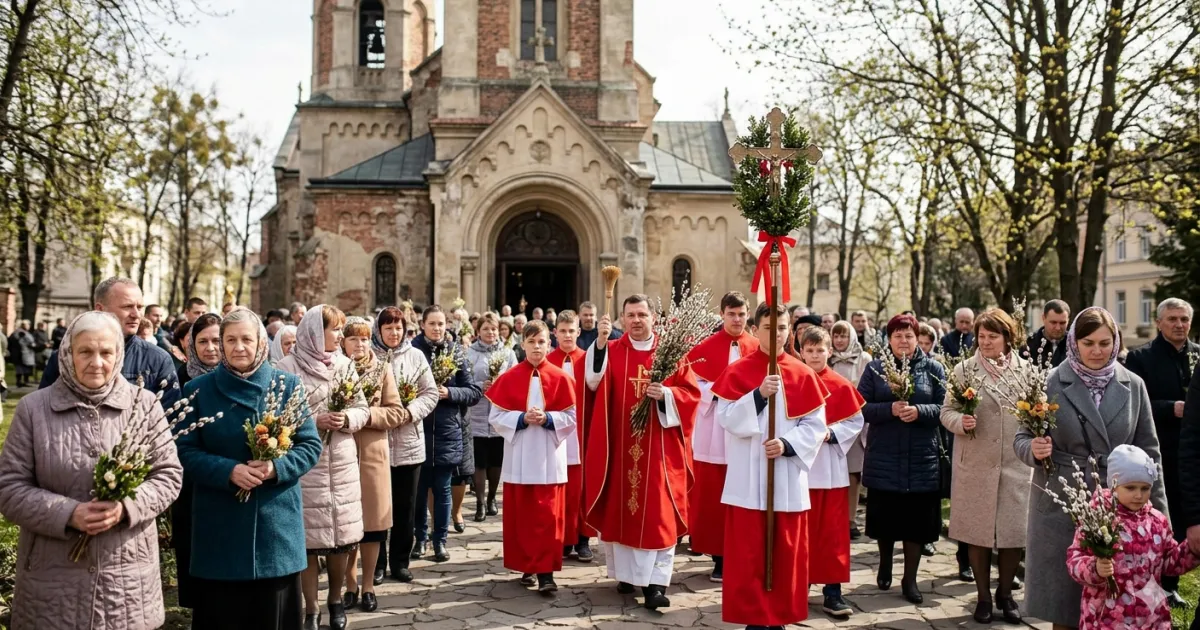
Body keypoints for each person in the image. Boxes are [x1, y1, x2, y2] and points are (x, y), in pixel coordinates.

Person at [0, 311, 183, 630]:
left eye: (106, 352)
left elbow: (169, 476)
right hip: (52, 579)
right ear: (68, 354)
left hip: (126, 579)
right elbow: (9, 488)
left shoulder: (144, 405)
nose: (96, 362)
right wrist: (67, 513)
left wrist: (126, 507)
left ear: (119, 356)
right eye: (85, 351)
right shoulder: (34, 410)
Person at [1015, 306, 1165, 630]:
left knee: (1117, 608)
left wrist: (1160, 517)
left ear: (1116, 342)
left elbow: (1150, 452)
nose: (1096, 351)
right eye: (1088, 342)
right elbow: (1022, 437)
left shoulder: (1134, 385)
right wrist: (1034, 449)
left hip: (1121, 505)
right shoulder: (1051, 381)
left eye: (1104, 342)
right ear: (1074, 342)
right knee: (1066, 608)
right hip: (1062, 503)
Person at [177, 307, 322, 630]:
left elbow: (310, 446)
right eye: (231, 340)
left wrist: (274, 467)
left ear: (260, 343)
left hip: (274, 531)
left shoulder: (287, 386)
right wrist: (227, 471)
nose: (239, 347)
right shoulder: (197, 391)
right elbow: (183, 451)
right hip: (219, 531)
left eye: (247, 339)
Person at [712, 302, 828, 629]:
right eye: (768, 327)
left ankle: (778, 616)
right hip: (748, 481)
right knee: (749, 555)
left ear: (789, 330)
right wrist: (759, 395)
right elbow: (727, 419)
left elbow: (816, 425)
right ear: (755, 329)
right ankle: (753, 617)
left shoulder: (803, 372)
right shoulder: (738, 371)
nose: (775, 333)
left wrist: (788, 445)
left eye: (781, 327)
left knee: (783, 555)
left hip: (786, 479)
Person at [583, 294, 700, 610]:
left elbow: (692, 395)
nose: (636, 320)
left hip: (659, 450)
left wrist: (667, 395)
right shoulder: (613, 351)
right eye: (630, 315)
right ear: (622, 319)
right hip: (621, 448)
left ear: (653, 317)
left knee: (657, 514)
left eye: (642, 314)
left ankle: (656, 584)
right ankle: (626, 574)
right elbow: (592, 383)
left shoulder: (670, 352)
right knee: (621, 509)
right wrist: (600, 343)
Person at [276, 305, 369, 630]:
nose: (340, 336)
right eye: (335, 329)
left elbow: (361, 407)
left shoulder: (344, 365)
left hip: (341, 462)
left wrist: (348, 419)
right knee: (309, 540)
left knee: (341, 539)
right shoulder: (286, 367)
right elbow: (277, 418)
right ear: (315, 331)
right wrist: (314, 420)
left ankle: (335, 599)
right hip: (305, 465)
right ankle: (312, 607)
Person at [940, 309, 1031, 624]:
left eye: (993, 336)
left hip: (1015, 465)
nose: (987, 342)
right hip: (975, 463)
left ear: (1008, 338)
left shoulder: (1027, 372)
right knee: (976, 532)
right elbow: (946, 410)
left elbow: (1037, 413)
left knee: (1012, 533)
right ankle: (982, 597)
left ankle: (1005, 594)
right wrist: (960, 422)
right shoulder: (964, 371)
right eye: (982, 336)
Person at [859, 314, 947, 604]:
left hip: (921, 458)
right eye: (898, 335)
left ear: (918, 338)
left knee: (916, 525)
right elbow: (861, 407)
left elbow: (945, 408)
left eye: (909, 335)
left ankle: (910, 579)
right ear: (889, 339)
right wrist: (889, 409)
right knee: (886, 521)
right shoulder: (875, 369)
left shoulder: (933, 368)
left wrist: (920, 412)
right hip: (885, 456)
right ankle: (885, 562)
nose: (904, 341)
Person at [1066, 444, 1199, 630]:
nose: (1138, 495)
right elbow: (1075, 558)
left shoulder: (1157, 521)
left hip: (1151, 616)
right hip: (1108, 618)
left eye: (1145, 488)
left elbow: (1169, 562)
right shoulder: (1097, 519)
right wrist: (1094, 568)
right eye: (1130, 487)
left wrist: (1193, 550)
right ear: (1113, 485)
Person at [488, 320, 577, 592]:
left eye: (541, 342)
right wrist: (521, 418)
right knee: (523, 517)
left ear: (549, 345)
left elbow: (572, 417)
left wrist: (549, 417)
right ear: (522, 344)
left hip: (550, 459)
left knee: (548, 517)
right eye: (531, 342)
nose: (537, 347)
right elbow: (496, 417)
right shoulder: (510, 377)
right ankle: (527, 565)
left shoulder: (563, 378)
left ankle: (546, 573)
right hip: (520, 458)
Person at [1124, 297, 1196, 609]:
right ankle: (1154, 584)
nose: (1179, 325)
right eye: (1173, 319)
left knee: (1187, 515)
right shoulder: (1140, 358)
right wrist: (1173, 409)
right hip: (1159, 450)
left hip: (1193, 451)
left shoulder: (1197, 355)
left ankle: (1172, 584)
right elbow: (1134, 406)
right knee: (1162, 521)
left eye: (1184, 319)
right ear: (1158, 322)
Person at [684, 291, 758, 582]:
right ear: (722, 314)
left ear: (748, 313)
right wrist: (719, 391)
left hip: (747, 428)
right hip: (714, 430)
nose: (737, 319)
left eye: (741, 314)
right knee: (715, 493)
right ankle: (719, 556)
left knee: (745, 491)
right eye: (731, 314)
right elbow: (692, 385)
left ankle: (744, 553)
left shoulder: (757, 347)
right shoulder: (705, 347)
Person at [795, 326, 865, 618]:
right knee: (801, 535)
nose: (814, 355)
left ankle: (832, 592)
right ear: (801, 351)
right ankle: (798, 588)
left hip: (831, 471)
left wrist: (831, 434)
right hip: (798, 473)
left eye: (820, 350)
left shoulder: (840, 384)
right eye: (809, 350)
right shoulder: (792, 381)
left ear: (830, 352)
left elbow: (855, 421)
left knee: (833, 535)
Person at [340, 317, 406, 613]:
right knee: (345, 526)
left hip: (371, 453)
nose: (360, 344)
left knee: (372, 526)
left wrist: (365, 416)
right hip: (340, 453)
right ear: (342, 342)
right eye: (353, 339)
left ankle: (368, 585)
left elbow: (397, 412)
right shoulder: (334, 369)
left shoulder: (382, 369)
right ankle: (348, 584)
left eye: (365, 339)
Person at [371, 307, 439, 583]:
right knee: (376, 507)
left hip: (409, 444)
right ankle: (377, 562)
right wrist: (381, 415)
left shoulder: (415, 356)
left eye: (398, 327)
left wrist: (409, 412)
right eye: (388, 328)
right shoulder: (368, 357)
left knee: (405, 507)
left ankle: (400, 561)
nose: (394, 333)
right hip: (376, 444)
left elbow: (430, 392)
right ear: (379, 330)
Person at [39, 277, 180, 409]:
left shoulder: (157, 359)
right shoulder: (65, 358)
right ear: (100, 309)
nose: (136, 314)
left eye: (140, 307)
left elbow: (169, 421)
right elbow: (44, 411)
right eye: (127, 306)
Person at [411, 305, 482, 563]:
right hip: (417, 432)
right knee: (418, 491)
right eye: (432, 324)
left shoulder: (456, 352)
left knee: (442, 490)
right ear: (423, 325)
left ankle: (440, 540)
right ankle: (419, 538)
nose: (437, 328)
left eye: (441, 324)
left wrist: (449, 393)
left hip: (447, 431)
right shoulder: (412, 351)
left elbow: (474, 391)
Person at [172, 312, 223, 610]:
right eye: (202, 341)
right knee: (191, 538)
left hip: (226, 470)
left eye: (217, 340)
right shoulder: (182, 376)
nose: (210, 348)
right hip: (189, 474)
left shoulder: (234, 376)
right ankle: (196, 605)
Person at [546, 309, 594, 561]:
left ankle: (583, 538)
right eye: (562, 331)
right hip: (555, 434)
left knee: (582, 489)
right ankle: (564, 539)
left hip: (582, 433)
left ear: (578, 331)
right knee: (562, 488)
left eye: (571, 331)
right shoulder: (545, 361)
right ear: (555, 333)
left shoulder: (588, 360)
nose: (567, 335)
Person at [465, 313, 518, 522]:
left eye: (494, 329)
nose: (490, 333)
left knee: (496, 461)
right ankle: (479, 502)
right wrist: (480, 386)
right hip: (477, 412)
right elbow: (465, 379)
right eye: (486, 329)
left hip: (499, 413)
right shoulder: (469, 353)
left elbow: (515, 377)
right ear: (478, 331)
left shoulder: (507, 353)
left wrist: (501, 385)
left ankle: (491, 498)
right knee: (479, 461)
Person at [829, 320, 870, 539]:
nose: (840, 341)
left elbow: (866, 389)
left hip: (854, 420)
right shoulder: (827, 358)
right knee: (832, 471)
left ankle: (851, 519)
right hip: (831, 420)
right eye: (836, 337)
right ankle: (833, 517)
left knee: (853, 472)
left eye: (843, 336)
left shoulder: (863, 359)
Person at [1025, 299, 1071, 367]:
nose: (1058, 328)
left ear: (1068, 321)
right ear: (1043, 318)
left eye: (1062, 323)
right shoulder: (1029, 344)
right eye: (1053, 322)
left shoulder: (1075, 345)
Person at [11, 321, 35, 388]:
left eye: (28, 325)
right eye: (27, 325)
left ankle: (25, 381)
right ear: (23, 325)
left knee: (26, 368)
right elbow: (19, 341)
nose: (28, 326)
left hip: (26, 353)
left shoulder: (26, 332)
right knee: (20, 368)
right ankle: (19, 382)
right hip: (21, 353)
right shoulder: (19, 332)